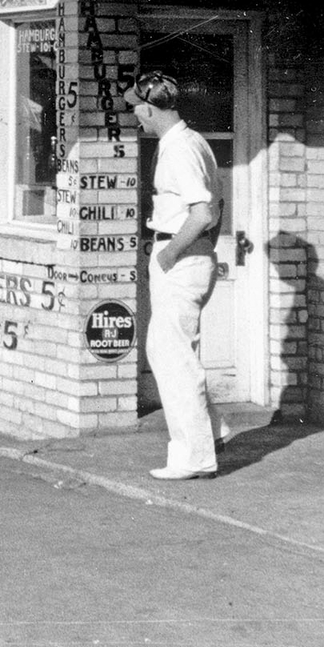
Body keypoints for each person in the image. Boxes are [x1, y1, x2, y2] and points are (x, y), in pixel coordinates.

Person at [126, 70, 229, 481]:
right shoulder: (193, 141)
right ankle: (213, 431)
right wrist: (203, 247)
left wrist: (170, 253)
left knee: (173, 359)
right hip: (194, 254)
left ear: (150, 108)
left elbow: (202, 211)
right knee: (176, 353)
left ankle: (195, 456)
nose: (135, 116)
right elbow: (214, 207)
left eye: (136, 108)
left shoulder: (179, 150)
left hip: (180, 255)